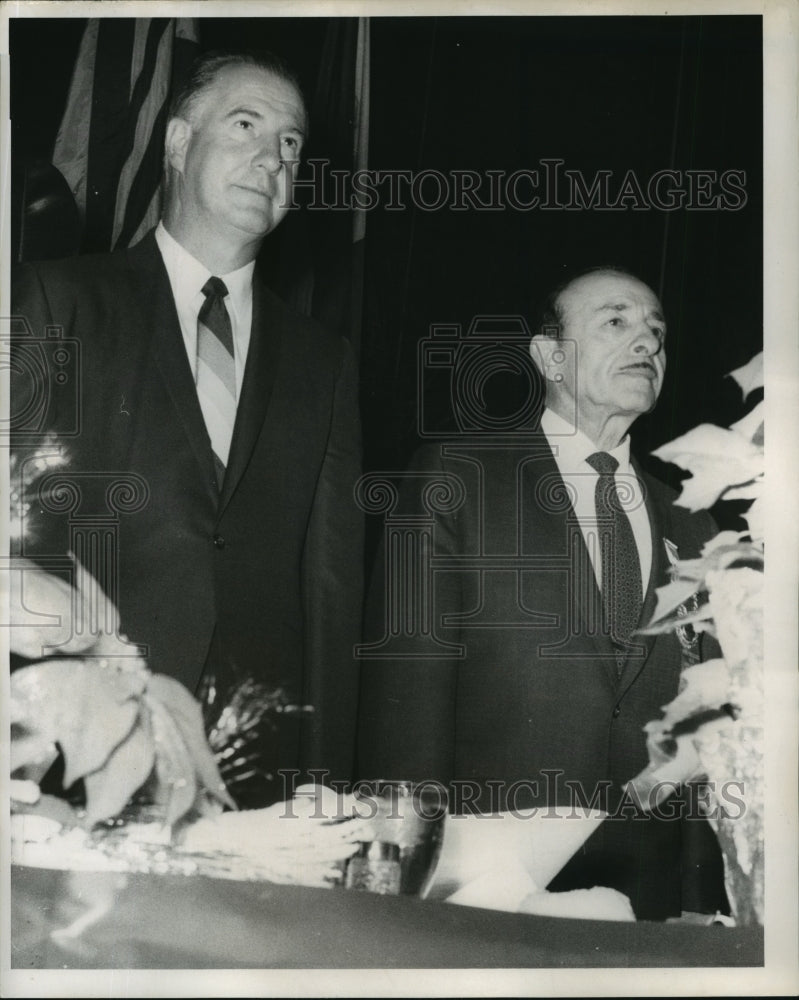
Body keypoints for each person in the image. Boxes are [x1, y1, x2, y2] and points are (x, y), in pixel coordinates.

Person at [11, 51, 364, 808]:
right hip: (74, 760)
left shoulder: (324, 363)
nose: (272, 157)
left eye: (291, 144)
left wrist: (323, 783)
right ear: (175, 142)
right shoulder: (56, 303)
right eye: (246, 125)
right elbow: (12, 540)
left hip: (256, 771)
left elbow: (329, 593)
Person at [357, 266, 728, 920]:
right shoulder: (458, 481)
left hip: (645, 902)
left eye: (656, 331)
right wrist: (406, 891)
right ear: (549, 356)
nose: (646, 342)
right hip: (486, 889)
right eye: (616, 322)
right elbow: (405, 713)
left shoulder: (693, 523)